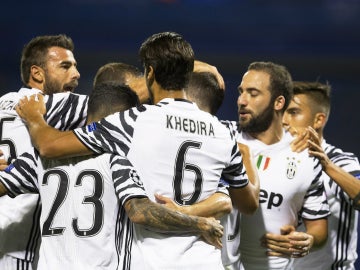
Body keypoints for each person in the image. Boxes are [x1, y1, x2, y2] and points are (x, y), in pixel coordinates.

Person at [16, 31, 260, 269]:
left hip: (150, 261)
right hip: (206, 260)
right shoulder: (222, 132)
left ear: (150, 72)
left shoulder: (131, 121)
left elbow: (49, 146)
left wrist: (35, 118)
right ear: (187, 75)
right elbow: (248, 204)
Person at [0, 81, 224, 269]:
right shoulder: (117, 161)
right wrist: (197, 223)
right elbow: (140, 212)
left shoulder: (39, 159)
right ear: (121, 118)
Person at [222, 62, 330, 270]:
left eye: (253, 93)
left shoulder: (306, 157)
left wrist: (307, 239)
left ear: (278, 102)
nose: (241, 101)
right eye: (241, 92)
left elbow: (319, 229)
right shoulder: (223, 137)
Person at [0, 34, 81, 270]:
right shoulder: (52, 105)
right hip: (17, 244)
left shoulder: (4, 101)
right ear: (37, 73)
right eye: (65, 66)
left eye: (75, 66)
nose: (75, 74)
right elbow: (121, 96)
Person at [280, 81, 360, 269]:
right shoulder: (275, 162)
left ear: (318, 120)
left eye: (293, 112)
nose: (283, 120)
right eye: (281, 111)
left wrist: (327, 166)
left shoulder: (340, 162)